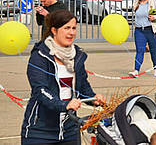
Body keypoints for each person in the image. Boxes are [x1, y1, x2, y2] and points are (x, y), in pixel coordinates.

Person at [21, 9, 105, 144]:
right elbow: (40, 90)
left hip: (70, 129)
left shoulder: (77, 55)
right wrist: (64, 105)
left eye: (74, 28)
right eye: (66, 28)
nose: (71, 32)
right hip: (40, 131)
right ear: (54, 30)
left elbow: (82, 86)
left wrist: (93, 98)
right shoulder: (40, 56)